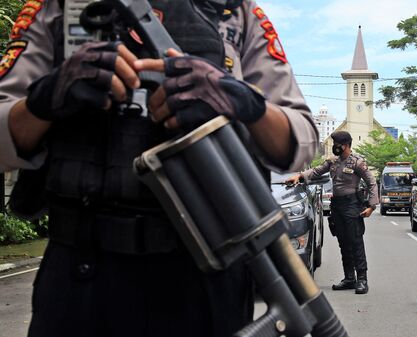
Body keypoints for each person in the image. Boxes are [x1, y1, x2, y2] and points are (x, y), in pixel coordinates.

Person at [0, 1, 317, 336]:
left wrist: (241, 102)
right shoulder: (57, 9)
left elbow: (301, 141)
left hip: (205, 276)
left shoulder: (235, 12)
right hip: (81, 274)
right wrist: (46, 97)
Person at [286, 131, 378, 294]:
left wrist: (371, 206)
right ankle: (349, 278)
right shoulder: (332, 162)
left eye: (338, 144)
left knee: (355, 242)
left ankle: (362, 279)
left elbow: (371, 182)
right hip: (337, 206)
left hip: (352, 205)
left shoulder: (357, 162)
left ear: (347, 145)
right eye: (334, 144)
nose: (335, 147)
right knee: (343, 242)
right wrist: (299, 176)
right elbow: (315, 172)